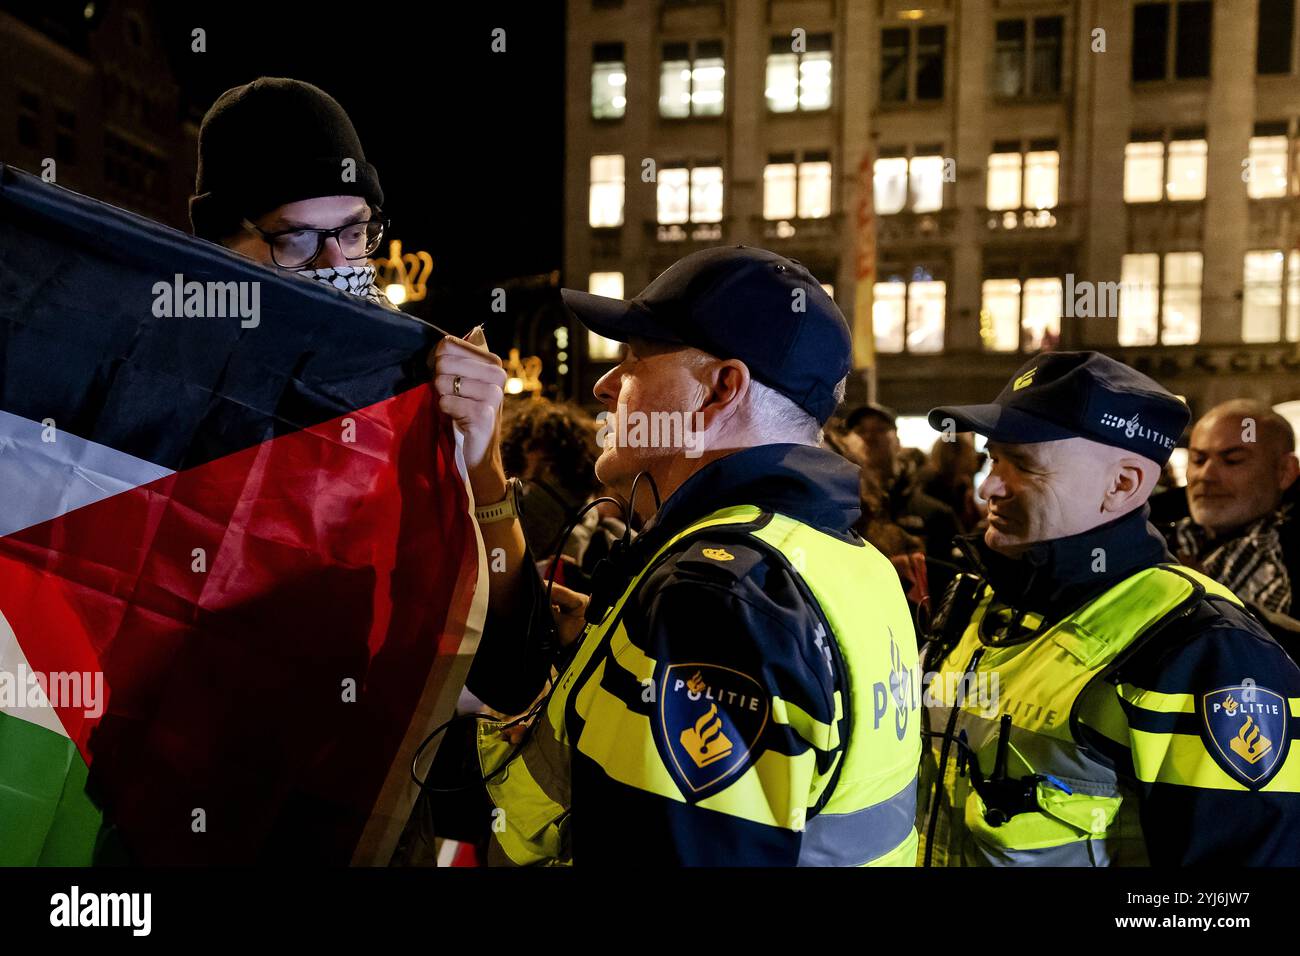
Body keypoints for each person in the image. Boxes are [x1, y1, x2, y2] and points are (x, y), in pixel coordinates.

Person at [432, 246, 920, 866]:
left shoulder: (718, 600)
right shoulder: (847, 563)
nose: (607, 386)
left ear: (722, 389)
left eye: (635, 358)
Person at [918, 351, 1300, 866]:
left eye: (1022, 466)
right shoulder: (983, 602)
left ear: (1121, 485)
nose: (988, 486)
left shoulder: (1205, 650)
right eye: (992, 457)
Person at [188, 77, 394, 308]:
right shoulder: (164, 335)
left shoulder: (399, 338)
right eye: (299, 239)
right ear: (219, 243)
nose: (338, 265)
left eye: (354, 234)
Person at [1168, 399, 1300, 619]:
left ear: (1285, 471)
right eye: (1198, 459)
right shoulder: (1147, 530)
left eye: (1232, 460)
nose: (1205, 476)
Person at [846, 403, 961, 596]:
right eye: (860, 430)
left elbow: (952, 578)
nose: (869, 437)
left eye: (880, 429)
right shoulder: (844, 509)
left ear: (897, 440)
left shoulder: (935, 512)